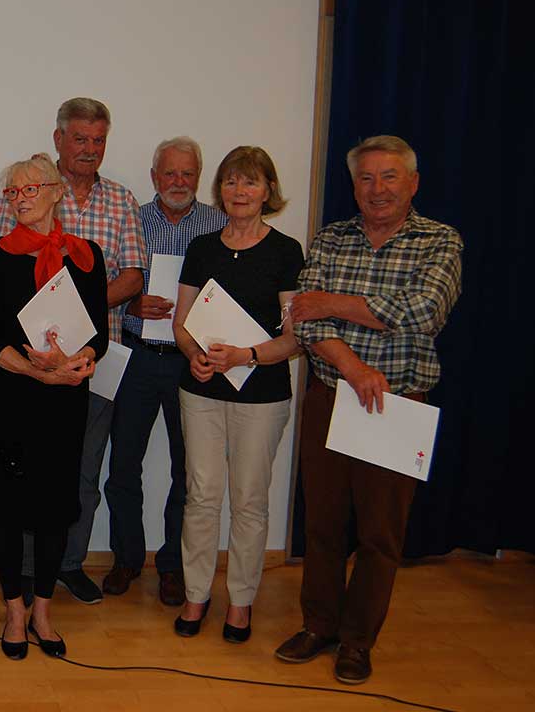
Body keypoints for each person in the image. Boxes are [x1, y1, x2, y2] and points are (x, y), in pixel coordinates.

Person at [278, 135, 462, 684]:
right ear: (353, 185)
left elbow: (422, 311)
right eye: (365, 177)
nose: (376, 189)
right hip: (331, 396)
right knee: (322, 523)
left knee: (381, 535)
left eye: (389, 176)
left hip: (398, 406)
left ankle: (357, 642)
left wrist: (332, 303)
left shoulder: (439, 240)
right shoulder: (332, 238)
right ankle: (319, 625)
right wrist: (354, 369)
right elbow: (303, 320)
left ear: (413, 183)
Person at [0, 97, 145, 604]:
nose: (90, 149)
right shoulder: (16, 211)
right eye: (80, 138)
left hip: (87, 365)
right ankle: (23, 577)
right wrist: (39, 347)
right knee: (20, 480)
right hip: (21, 370)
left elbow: (130, 280)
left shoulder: (115, 208)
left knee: (80, 472)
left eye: (99, 140)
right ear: (59, 140)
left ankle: (67, 567)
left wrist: (75, 332)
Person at [0, 154, 108, 660]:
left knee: (55, 511)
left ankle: (44, 612)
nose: (21, 198)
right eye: (13, 191)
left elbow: (98, 335)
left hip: (63, 405)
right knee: (8, 512)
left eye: (31, 188)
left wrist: (79, 361)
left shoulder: (86, 255)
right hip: (11, 399)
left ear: (57, 192)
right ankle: (14, 612)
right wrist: (39, 371)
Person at [169, 146, 303, 643]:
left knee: (249, 499)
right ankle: (196, 594)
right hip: (202, 388)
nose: (239, 191)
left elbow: (294, 338)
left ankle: (241, 602)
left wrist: (247, 356)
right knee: (202, 495)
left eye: (250, 182)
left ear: (268, 191)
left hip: (261, 394)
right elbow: (182, 324)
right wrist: (193, 353)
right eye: (230, 181)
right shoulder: (202, 247)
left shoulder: (286, 251)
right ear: (219, 189)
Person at [103, 137, 228, 604]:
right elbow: (112, 280)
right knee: (122, 466)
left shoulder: (219, 225)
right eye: (169, 173)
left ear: (199, 177)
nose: (178, 182)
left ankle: (173, 565)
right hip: (135, 356)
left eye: (187, 173)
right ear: (154, 177)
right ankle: (126, 558)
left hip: (192, 363)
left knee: (188, 470)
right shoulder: (131, 219)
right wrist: (132, 303)